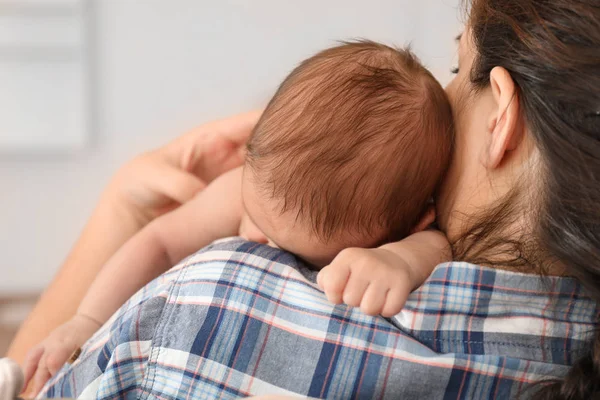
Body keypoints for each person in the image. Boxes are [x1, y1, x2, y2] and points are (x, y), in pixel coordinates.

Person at [11, 0, 600, 398]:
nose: (254, 243)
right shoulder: (569, 346)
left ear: (500, 117)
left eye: (456, 62)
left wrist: (121, 204)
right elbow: (161, 241)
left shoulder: (206, 309)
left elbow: (40, 381)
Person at [23, 41, 453, 391]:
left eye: (297, 251)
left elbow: (438, 246)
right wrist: (87, 321)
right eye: (257, 219)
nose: (257, 239)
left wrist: (399, 260)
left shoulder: (409, 235)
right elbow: (158, 242)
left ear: (412, 220)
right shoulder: (242, 188)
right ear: (253, 146)